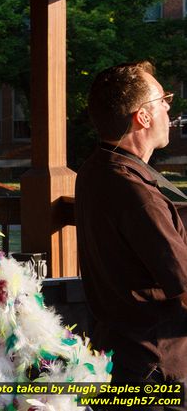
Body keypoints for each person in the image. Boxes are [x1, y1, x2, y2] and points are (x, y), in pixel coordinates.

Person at [76, 61, 187, 400]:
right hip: (156, 370)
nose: (169, 106)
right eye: (162, 100)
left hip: (117, 358)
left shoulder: (97, 169)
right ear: (143, 116)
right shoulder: (136, 193)